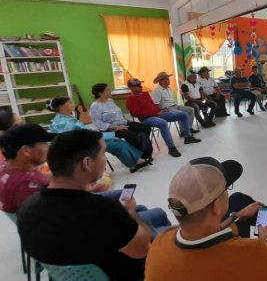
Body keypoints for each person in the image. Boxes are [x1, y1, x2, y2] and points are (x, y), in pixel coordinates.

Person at [17, 130, 171, 281]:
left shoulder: (27, 207)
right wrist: (131, 213)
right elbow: (142, 249)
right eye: (103, 153)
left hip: (68, 274)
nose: (105, 159)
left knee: (157, 213)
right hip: (125, 273)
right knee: (170, 233)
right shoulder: (103, 210)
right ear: (87, 163)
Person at [144, 157, 267, 280]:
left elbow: (202, 239)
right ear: (217, 206)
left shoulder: (159, 243)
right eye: (225, 189)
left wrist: (235, 217)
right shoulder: (255, 253)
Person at [48, 97, 152, 172]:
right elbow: (73, 139)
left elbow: (80, 131)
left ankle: (137, 159)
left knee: (116, 138)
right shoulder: (62, 123)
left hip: (88, 137)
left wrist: (93, 133)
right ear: (61, 106)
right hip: (83, 145)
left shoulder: (67, 117)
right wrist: (93, 136)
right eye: (70, 103)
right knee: (118, 145)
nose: (73, 104)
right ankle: (133, 163)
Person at [126, 78, 199, 158]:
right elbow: (137, 113)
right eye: (137, 86)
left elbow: (153, 105)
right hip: (147, 119)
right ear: (130, 88)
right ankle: (171, 148)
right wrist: (155, 113)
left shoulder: (145, 94)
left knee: (184, 114)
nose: (139, 87)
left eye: (139, 85)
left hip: (159, 113)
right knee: (162, 123)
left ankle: (188, 137)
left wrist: (159, 110)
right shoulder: (131, 99)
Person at [90, 83, 154, 157]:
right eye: (107, 90)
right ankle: (137, 156)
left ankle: (144, 149)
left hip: (122, 122)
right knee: (132, 135)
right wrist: (116, 127)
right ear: (100, 93)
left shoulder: (110, 101)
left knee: (145, 128)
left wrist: (126, 120)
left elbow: (118, 112)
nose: (110, 91)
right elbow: (98, 123)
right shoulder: (95, 106)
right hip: (110, 129)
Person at [0, 124, 52, 213]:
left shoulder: (4, 166)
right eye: (45, 144)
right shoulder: (30, 185)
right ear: (26, 151)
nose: (48, 147)